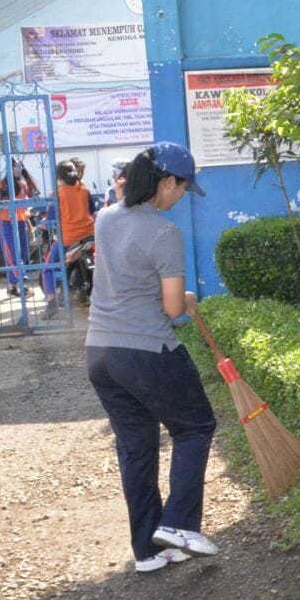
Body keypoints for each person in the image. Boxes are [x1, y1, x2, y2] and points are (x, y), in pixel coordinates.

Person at [85, 142, 219, 574]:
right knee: (196, 425)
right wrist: (186, 299)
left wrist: (177, 297)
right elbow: (173, 309)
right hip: (146, 351)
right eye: (181, 187)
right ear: (165, 182)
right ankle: (179, 523)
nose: (181, 196)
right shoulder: (164, 233)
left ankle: (147, 550)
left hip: (100, 354)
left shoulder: (105, 217)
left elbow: (129, 281)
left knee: (137, 447)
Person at [41, 159, 96, 318]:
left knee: (47, 268)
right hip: (89, 236)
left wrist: (44, 224)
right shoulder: (84, 190)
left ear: (58, 177)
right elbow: (91, 210)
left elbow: (50, 218)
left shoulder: (57, 194)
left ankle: (52, 303)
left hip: (68, 239)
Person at [0, 159, 38, 298]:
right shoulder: (3, 184)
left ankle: (12, 287)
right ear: (9, 169)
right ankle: (22, 286)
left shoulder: (23, 183)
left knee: (23, 254)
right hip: (6, 223)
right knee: (13, 255)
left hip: (21, 221)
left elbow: (28, 200)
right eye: (14, 168)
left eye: (18, 167)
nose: (17, 170)